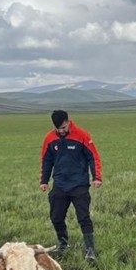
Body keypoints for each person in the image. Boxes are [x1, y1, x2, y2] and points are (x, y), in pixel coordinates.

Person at [40, 110, 103, 260]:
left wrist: (97, 177)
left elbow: (93, 157)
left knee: (84, 217)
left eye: (63, 127)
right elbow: (46, 161)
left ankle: (90, 250)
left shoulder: (82, 135)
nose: (61, 131)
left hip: (79, 184)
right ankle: (63, 244)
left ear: (68, 122)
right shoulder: (49, 138)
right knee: (56, 217)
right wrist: (44, 181)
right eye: (58, 129)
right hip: (60, 184)